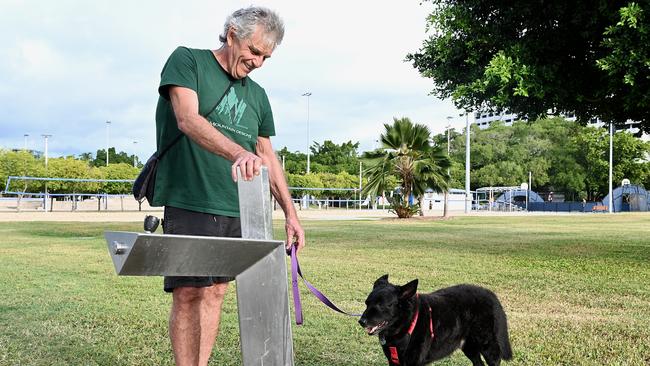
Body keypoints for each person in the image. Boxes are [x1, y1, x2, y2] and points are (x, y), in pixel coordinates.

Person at [151, 6, 305, 366]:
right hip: (190, 198)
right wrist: (238, 152)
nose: (258, 63)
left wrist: (291, 214)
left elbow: (266, 154)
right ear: (231, 34)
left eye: (266, 57)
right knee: (189, 292)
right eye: (254, 52)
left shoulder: (258, 96)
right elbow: (187, 118)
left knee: (217, 291)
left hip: (236, 205)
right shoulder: (188, 61)